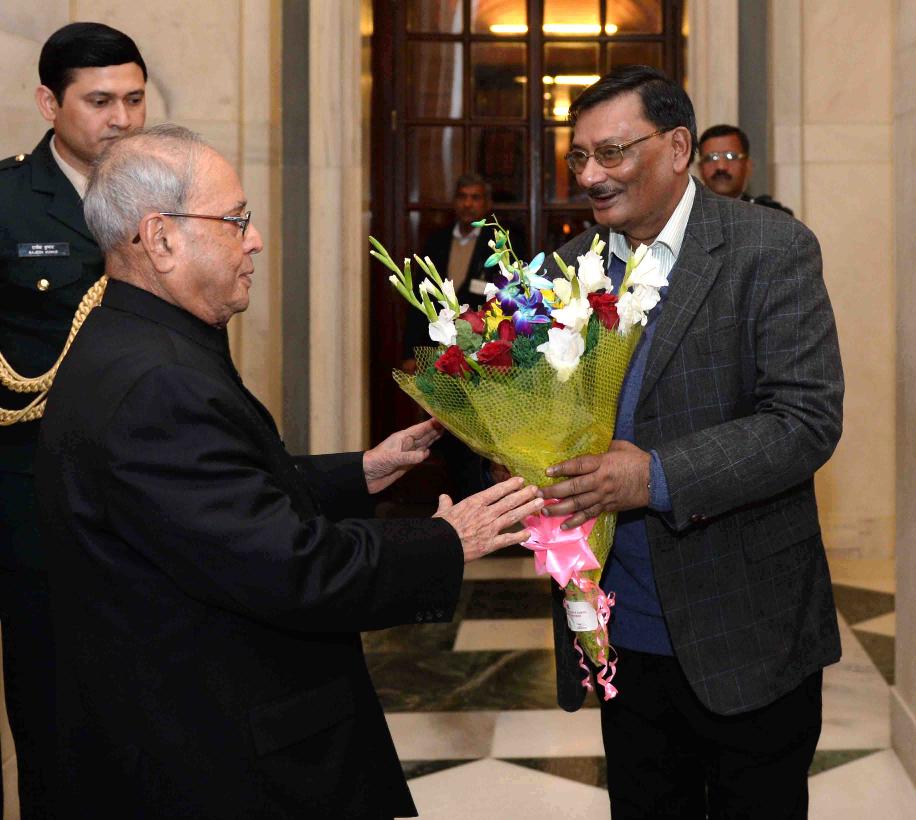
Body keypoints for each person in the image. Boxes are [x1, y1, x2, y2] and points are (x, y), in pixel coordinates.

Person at [34, 124, 545, 819]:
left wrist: (359, 473)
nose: (254, 240)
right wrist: (446, 540)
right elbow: (290, 568)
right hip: (218, 752)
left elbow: (220, 496)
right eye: (234, 220)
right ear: (160, 239)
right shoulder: (159, 383)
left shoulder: (135, 340)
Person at [543, 66, 844, 818]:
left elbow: (804, 420)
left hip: (745, 624)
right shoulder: (567, 269)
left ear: (678, 147)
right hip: (618, 628)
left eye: (612, 152)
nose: (590, 175)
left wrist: (654, 477)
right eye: (579, 157)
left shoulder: (769, 248)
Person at [0, 22, 147, 817]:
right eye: (99, 101)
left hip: (152, 496)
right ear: (48, 103)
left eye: (134, 98)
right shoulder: (8, 201)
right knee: (55, 713)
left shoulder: (167, 191)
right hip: (38, 500)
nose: (121, 118)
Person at [402, 173, 518, 357]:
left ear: (487, 204)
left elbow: (511, 296)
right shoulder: (436, 241)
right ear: (454, 202)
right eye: (462, 197)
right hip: (435, 346)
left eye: (475, 198)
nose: (467, 204)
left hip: (481, 349)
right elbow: (419, 296)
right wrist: (410, 354)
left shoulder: (500, 244)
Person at [696, 123, 793, 215]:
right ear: (700, 168)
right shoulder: (690, 214)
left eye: (731, 156)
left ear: (748, 166)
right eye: (711, 158)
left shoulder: (771, 216)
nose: (721, 167)